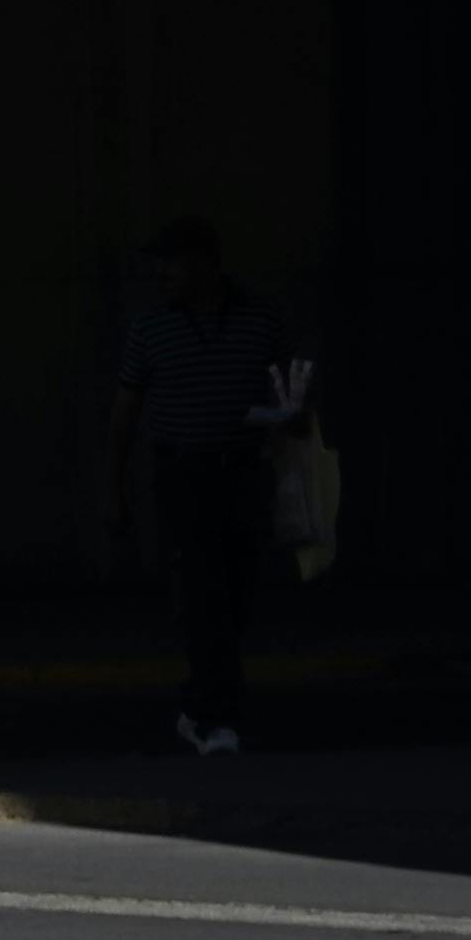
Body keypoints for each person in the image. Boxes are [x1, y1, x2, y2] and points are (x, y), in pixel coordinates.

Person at [112, 220, 300, 757]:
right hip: (182, 475)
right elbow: (124, 412)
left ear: (205, 262)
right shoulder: (150, 329)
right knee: (201, 594)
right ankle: (219, 717)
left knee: (238, 588)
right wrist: (115, 488)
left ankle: (200, 703)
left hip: (243, 471)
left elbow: (285, 388)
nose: (161, 274)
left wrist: (292, 421)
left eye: (172, 261)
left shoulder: (260, 317)